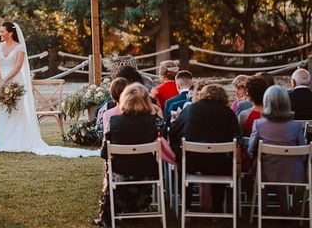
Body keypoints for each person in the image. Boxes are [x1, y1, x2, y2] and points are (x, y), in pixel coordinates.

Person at [0, 21, 99, 157]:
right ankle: (3, 143)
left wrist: (6, 80)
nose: (0, 33)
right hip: (2, 82)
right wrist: (0, 81)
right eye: (0, 31)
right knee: (4, 111)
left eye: (2, 31)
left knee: (17, 110)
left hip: (15, 81)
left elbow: (17, 67)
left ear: (11, 33)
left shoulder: (19, 48)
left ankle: (17, 142)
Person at [95, 83, 161, 227]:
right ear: (146, 101)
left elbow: (105, 153)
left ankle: (113, 208)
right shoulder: (153, 122)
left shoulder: (114, 122)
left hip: (120, 173)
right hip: (146, 173)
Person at [169, 84, 240, 213]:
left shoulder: (190, 109)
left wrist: (178, 150)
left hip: (191, 161)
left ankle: (187, 206)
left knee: (182, 164)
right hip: (219, 163)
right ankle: (217, 208)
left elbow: (173, 131)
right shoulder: (228, 113)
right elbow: (237, 138)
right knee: (221, 162)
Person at [248, 85, 306, 213]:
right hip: (293, 173)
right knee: (280, 166)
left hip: (267, 171)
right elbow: (302, 150)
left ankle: (263, 209)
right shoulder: (296, 126)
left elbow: (250, 149)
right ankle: (285, 209)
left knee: (262, 166)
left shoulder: (259, 124)